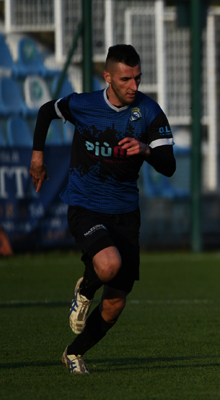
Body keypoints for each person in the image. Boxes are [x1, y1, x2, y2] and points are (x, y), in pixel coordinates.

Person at [29, 44, 176, 374]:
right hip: (86, 206)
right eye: (126, 79)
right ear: (108, 77)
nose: (133, 87)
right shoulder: (83, 104)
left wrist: (145, 150)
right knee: (108, 265)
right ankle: (83, 290)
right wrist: (37, 157)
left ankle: (73, 352)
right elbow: (45, 112)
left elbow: (169, 165)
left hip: (125, 213)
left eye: (138, 78)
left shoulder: (149, 112)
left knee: (114, 303)